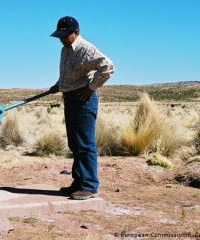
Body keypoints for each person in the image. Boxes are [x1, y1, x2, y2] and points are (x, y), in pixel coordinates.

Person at [48, 16, 114, 200]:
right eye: (60, 35)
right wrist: (59, 84)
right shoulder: (65, 49)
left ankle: (89, 186)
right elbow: (69, 73)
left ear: (76, 32)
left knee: (85, 144)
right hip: (69, 97)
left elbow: (108, 67)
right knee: (75, 144)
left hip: (84, 99)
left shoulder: (86, 49)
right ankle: (78, 183)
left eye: (65, 35)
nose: (62, 39)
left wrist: (91, 87)